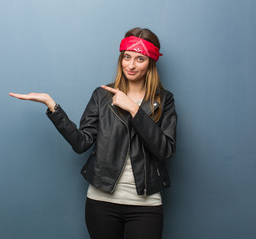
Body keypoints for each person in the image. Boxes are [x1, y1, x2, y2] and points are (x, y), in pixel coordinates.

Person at [9, 27, 177, 239]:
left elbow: (166, 150)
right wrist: (52, 106)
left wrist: (134, 109)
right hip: (101, 203)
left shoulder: (164, 100)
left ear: (151, 62)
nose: (131, 65)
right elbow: (81, 143)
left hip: (145, 205)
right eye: (127, 57)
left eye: (140, 59)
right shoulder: (101, 96)